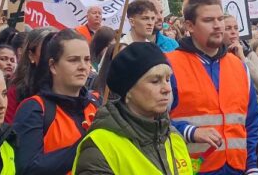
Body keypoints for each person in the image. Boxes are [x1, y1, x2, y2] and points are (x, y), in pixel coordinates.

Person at [167, 0, 258, 175]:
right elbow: (153, 121)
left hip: (237, 169)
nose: (218, 26)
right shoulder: (169, 65)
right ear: (190, 25)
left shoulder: (239, 66)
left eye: (220, 19)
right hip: (189, 169)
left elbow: (251, 122)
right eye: (209, 20)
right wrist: (189, 131)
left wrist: (252, 166)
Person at [73, 42, 192, 174]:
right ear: (128, 90)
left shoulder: (174, 137)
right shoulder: (100, 147)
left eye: (168, 79)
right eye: (155, 81)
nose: (167, 89)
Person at [13, 29, 100, 175]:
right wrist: (85, 146)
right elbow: (28, 169)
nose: (83, 66)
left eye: (86, 59)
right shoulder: (35, 108)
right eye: (73, 60)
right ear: (53, 65)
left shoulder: (96, 104)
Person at [5, 27, 54, 124]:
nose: (53, 55)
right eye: (47, 49)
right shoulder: (16, 91)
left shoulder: (71, 87)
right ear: (31, 55)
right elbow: (8, 131)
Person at [223, 15, 258, 99]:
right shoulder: (214, 56)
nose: (233, 32)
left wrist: (243, 59)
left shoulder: (248, 54)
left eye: (236, 28)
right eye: (228, 28)